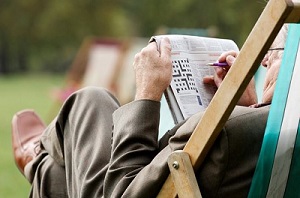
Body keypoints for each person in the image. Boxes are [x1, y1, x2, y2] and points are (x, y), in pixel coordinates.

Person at [12, 25, 288, 198]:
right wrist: (242, 107)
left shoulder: (228, 132)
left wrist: (147, 94)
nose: (262, 61)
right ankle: (43, 163)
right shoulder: (280, 130)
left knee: (91, 100)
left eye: (273, 51)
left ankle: (39, 159)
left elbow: (122, 189)